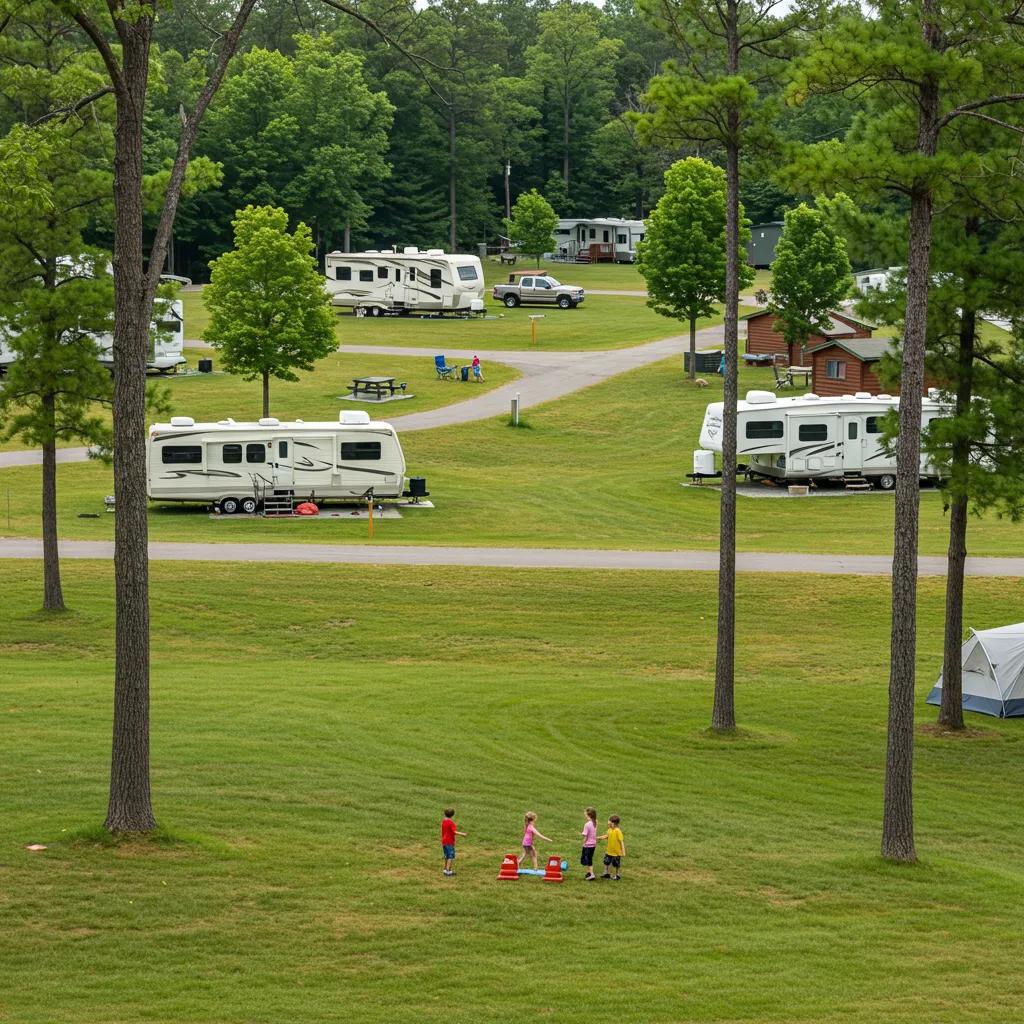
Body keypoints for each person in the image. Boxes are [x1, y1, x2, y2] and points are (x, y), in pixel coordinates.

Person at [440, 808, 466, 877]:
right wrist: (462, 834)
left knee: (446, 856)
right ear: (452, 815)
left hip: (444, 841)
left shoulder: (444, 821)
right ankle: (448, 871)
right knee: (450, 856)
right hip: (449, 842)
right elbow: (454, 832)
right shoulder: (451, 823)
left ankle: (445, 869)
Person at [599, 814, 625, 880]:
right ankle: (606, 873)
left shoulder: (618, 831)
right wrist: (599, 837)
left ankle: (617, 875)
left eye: (609, 822)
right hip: (609, 851)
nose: (608, 823)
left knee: (616, 864)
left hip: (616, 852)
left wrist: (623, 851)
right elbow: (607, 836)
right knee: (606, 862)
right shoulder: (609, 830)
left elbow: (621, 841)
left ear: (613, 823)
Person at [580, 807, 598, 881]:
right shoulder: (595, 822)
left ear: (589, 815)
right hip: (593, 845)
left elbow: (585, 836)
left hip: (587, 845)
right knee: (588, 859)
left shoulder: (587, 825)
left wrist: (583, 843)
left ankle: (591, 874)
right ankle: (588, 873)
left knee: (588, 860)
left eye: (585, 813)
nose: (584, 815)